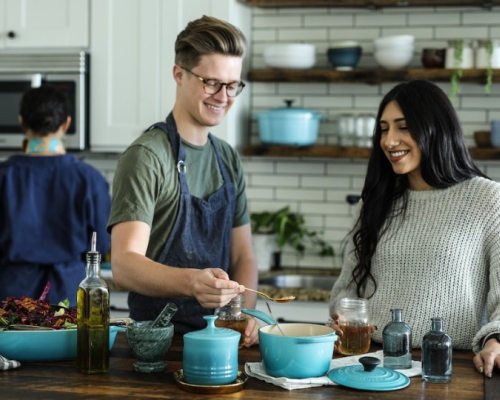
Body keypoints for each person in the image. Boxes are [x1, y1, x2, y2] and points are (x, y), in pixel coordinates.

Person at [329, 80, 500, 377]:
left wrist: (495, 341)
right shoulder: (376, 203)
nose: (389, 140)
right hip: (370, 363)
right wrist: (342, 316)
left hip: (448, 367)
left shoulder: (488, 199)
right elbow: (346, 291)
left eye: (403, 127)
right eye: (384, 129)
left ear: (437, 128)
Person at [108, 15, 259, 345]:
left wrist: (247, 312)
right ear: (179, 73)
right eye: (211, 82)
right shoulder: (147, 156)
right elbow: (124, 265)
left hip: (221, 340)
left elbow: (243, 256)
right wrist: (193, 282)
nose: (223, 96)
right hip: (158, 346)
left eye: (232, 85)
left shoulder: (228, 158)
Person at [0, 86, 111, 306]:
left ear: (22, 122)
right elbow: (104, 244)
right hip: (68, 296)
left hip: (10, 298)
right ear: (66, 124)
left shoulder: (4, 177)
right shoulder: (89, 180)